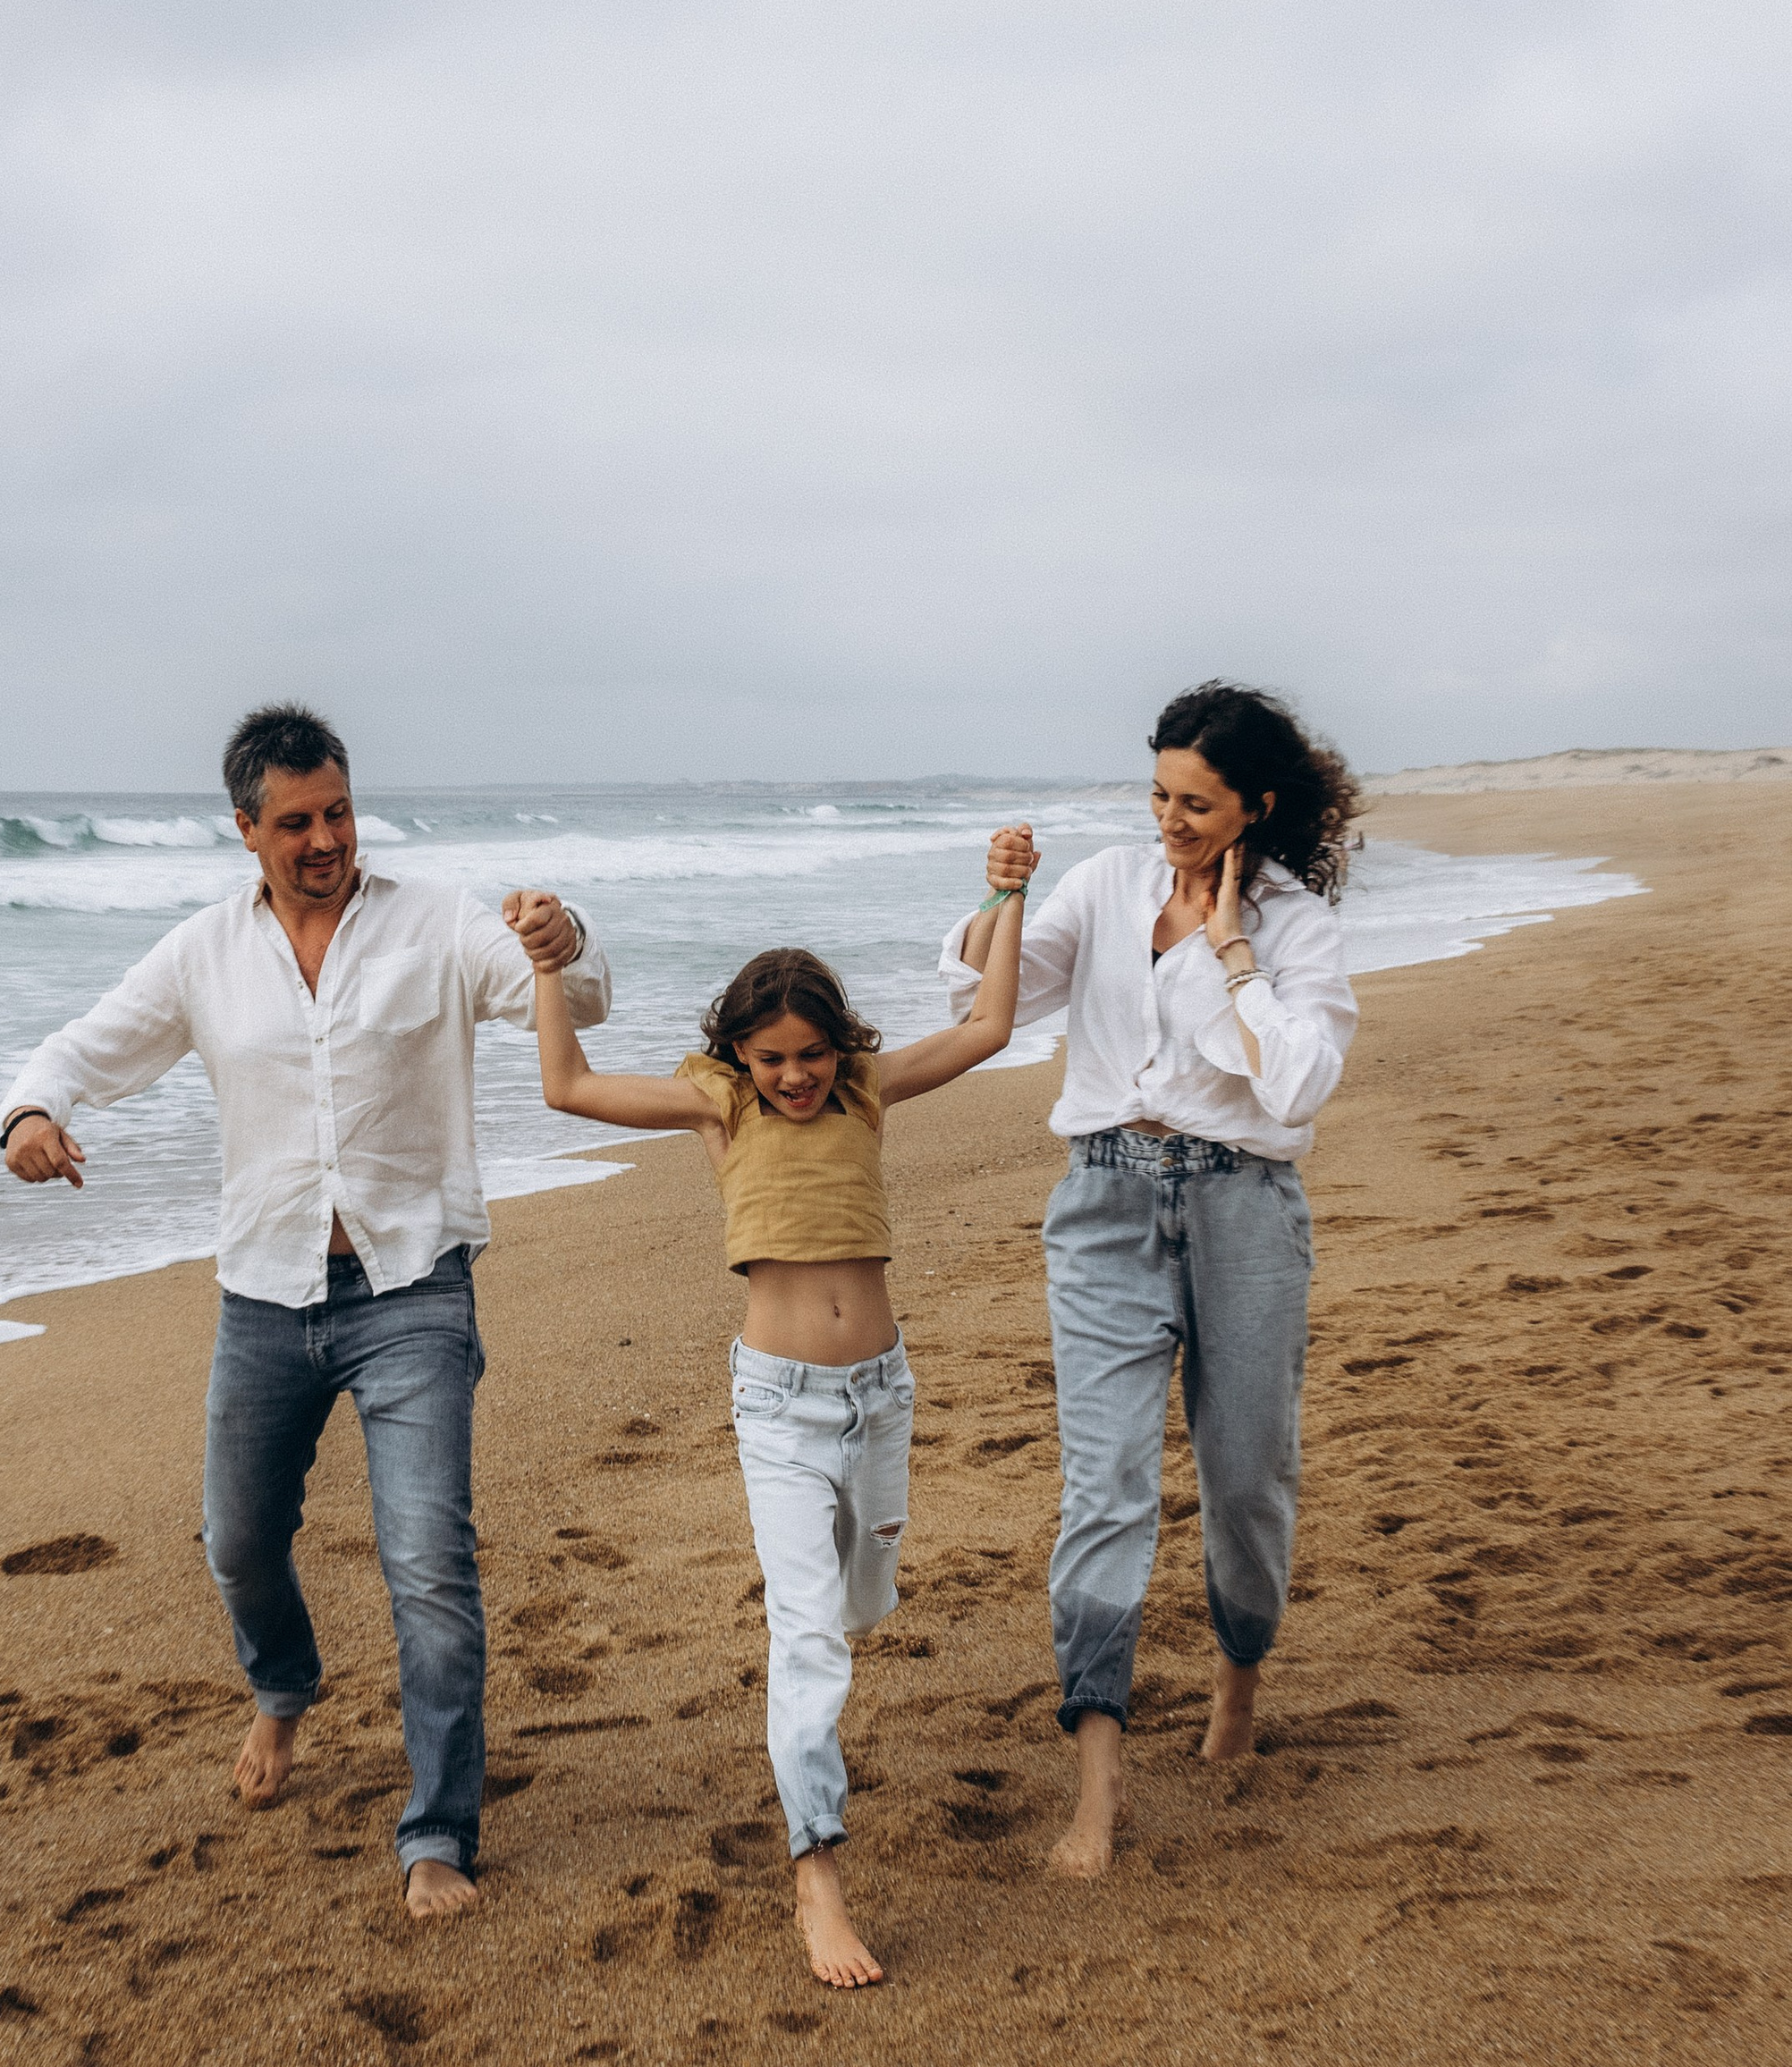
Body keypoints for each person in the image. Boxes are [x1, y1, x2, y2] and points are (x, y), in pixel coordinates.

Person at [0, 703, 608, 1922]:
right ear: (246, 830)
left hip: (413, 1291)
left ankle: (437, 1829)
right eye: (296, 821)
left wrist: (562, 935)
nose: (325, 837)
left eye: (337, 810)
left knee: (429, 1561)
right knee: (237, 1541)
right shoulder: (203, 955)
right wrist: (28, 1116)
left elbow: (575, 1000)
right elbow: (83, 1048)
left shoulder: (437, 923)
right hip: (265, 1297)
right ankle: (284, 1689)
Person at [528, 887, 1028, 1988]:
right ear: (738, 1056)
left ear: (836, 1047)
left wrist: (1007, 896)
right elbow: (565, 1087)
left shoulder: (867, 1089)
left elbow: (990, 1025)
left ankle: (818, 1649)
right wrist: (543, 966)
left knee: (861, 1606)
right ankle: (817, 1874)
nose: (793, 1077)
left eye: (808, 1055)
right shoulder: (721, 1110)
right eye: (769, 1059)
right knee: (808, 1640)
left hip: (883, 1397)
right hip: (780, 1407)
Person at [945, 680, 1362, 1881]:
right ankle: (1102, 1773)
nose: (1171, 820)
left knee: (1246, 1479)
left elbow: (1293, 1087)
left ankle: (1239, 1679)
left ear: (1256, 806)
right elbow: (994, 996)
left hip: (1244, 1208)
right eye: (1161, 795)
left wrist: (1232, 953)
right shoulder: (1109, 886)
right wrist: (1003, 896)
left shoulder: (1295, 926)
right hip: (1106, 1201)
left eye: (1199, 803)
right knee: (1107, 1484)